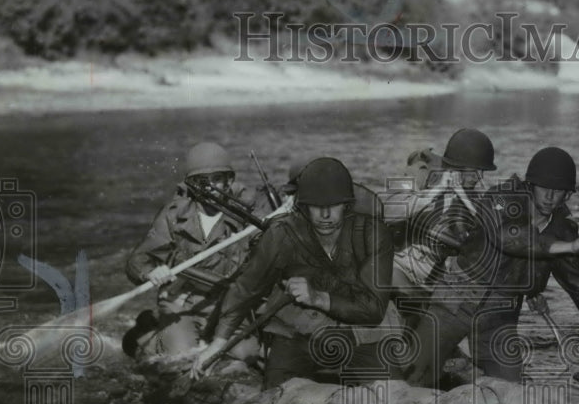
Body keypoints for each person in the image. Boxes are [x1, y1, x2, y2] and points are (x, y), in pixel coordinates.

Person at [407, 146, 579, 387]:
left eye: (558, 192)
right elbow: (507, 236)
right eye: (544, 188)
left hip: (499, 319)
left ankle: (461, 372)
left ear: (567, 195)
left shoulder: (563, 231)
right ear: (530, 185)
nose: (549, 197)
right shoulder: (501, 198)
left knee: (511, 392)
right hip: (455, 305)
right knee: (412, 379)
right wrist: (569, 247)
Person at [192, 157, 395, 387]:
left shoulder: (373, 235)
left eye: (333, 206)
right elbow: (247, 287)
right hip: (297, 331)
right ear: (303, 207)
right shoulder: (282, 234)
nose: (325, 215)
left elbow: (373, 309)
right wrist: (218, 343)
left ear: (347, 205)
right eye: (316, 207)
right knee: (275, 398)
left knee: (388, 396)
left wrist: (318, 298)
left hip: (361, 332)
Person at [124, 141, 264, 359]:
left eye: (217, 179)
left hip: (228, 309)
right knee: (180, 355)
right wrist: (151, 272)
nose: (210, 188)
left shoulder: (249, 216)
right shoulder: (174, 215)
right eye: (201, 182)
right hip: (182, 305)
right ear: (191, 184)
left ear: (229, 180)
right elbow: (138, 260)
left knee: (247, 354)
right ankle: (149, 336)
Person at [382, 128, 495, 328]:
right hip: (397, 269)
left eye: (482, 172)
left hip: (431, 285)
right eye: (475, 171)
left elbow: (493, 222)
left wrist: (477, 203)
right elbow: (388, 211)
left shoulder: (473, 196)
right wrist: (437, 191)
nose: (479, 177)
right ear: (458, 167)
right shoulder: (420, 172)